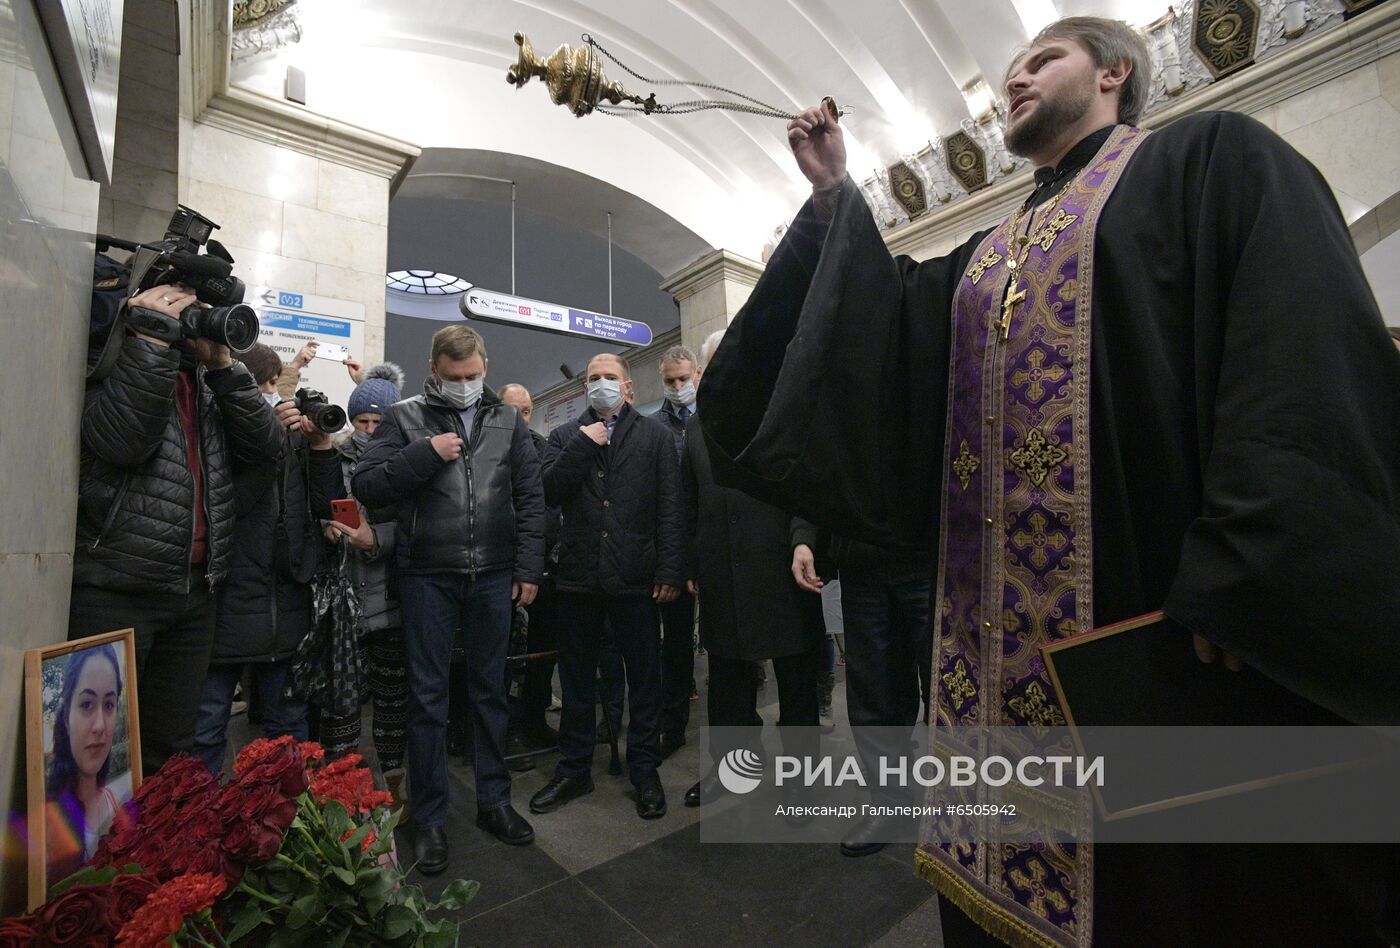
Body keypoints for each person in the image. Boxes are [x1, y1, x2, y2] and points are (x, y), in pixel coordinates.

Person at [699, 15, 1400, 947]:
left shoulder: (1205, 161)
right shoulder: (987, 253)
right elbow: (882, 342)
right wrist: (835, 199)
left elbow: (1296, 357)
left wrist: (1249, 574)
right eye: (1011, 70)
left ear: (1114, 73)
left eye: (1041, 58)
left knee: (1173, 892)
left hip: (1147, 627)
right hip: (983, 670)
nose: (1013, 80)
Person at [353, 325, 545, 870]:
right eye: (454, 376)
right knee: (428, 699)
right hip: (427, 573)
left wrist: (529, 564)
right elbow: (368, 485)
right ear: (434, 369)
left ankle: (494, 802)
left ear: (485, 367)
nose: (464, 385)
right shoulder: (403, 417)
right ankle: (430, 817)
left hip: (492, 573)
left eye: (473, 376)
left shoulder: (507, 420)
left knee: (490, 690)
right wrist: (425, 454)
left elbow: (530, 497)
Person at [70, 285, 282, 774]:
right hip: (117, 585)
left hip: (194, 590)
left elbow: (267, 448)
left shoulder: (210, 380)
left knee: (172, 746)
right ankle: (99, 853)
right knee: (95, 754)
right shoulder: (116, 357)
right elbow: (122, 443)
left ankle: (157, 850)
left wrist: (224, 367)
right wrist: (149, 343)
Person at [530, 353, 684, 820]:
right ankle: (575, 767)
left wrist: (670, 571)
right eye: (593, 378)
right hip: (578, 579)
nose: (601, 384)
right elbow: (548, 492)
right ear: (584, 388)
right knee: (577, 681)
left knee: (643, 679)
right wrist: (582, 444)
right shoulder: (563, 435)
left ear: (627, 385)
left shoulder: (654, 436)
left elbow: (670, 510)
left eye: (609, 377)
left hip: (637, 579)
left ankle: (644, 768)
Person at [681, 330, 822, 808]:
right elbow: (688, 500)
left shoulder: (782, 411)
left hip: (782, 567)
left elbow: (809, 486)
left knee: (797, 681)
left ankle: (802, 779)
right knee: (727, 684)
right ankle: (731, 771)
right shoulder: (695, 428)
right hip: (722, 571)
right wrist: (690, 559)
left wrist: (804, 540)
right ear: (704, 372)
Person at [192, 344, 341, 774]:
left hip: (286, 603)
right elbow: (227, 506)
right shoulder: (219, 431)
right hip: (228, 602)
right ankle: (196, 828)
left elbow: (327, 505)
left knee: (289, 728)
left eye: (277, 384)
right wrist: (267, 440)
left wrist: (321, 446)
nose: (275, 394)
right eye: (268, 384)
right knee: (206, 727)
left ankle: (285, 825)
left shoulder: (295, 441)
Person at [317, 362, 410, 803]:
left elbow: (418, 526)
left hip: (391, 600)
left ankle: (394, 783)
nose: (369, 429)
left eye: (378, 421)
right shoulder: (330, 457)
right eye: (362, 420)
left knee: (393, 702)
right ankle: (340, 790)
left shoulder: (406, 461)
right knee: (342, 701)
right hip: (345, 600)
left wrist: (377, 539)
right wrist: (325, 527)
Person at [498, 383, 562, 754]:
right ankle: (502, 729)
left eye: (525, 411)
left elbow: (547, 510)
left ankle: (534, 719)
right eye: (511, 411)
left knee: (543, 649)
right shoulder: (484, 449)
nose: (520, 419)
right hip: (495, 567)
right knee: (498, 654)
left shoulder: (543, 448)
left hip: (537, 566)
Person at [45, 644, 133, 885]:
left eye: (108, 705)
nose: (100, 726)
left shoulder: (116, 804)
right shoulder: (47, 820)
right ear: (65, 718)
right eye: (86, 705)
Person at [651, 346, 701, 758]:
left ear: (697, 374)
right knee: (677, 644)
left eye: (684, 379)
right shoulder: (655, 430)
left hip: (713, 547)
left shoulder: (714, 418)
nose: (678, 387)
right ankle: (673, 723)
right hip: (673, 551)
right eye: (671, 381)